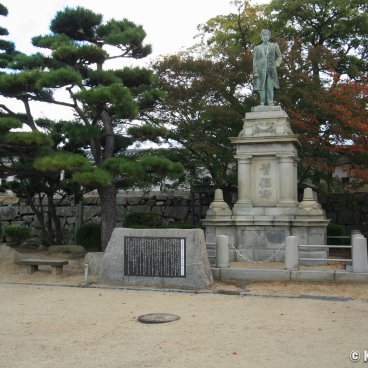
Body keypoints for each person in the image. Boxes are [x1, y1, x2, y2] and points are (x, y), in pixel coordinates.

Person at [253, 29, 282, 106]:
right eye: (263, 35)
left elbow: (279, 56)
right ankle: (262, 102)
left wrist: (277, 63)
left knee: (270, 85)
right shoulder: (256, 48)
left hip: (271, 68)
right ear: (261, 37)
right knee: (261, 86)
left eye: (266, 35)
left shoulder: (274, 45)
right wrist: (255, 71)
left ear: (269, 37)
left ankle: (270, 101)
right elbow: (255, 60)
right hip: (260, 69)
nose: (265, 36)